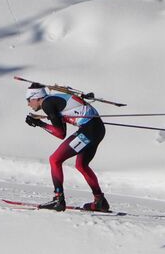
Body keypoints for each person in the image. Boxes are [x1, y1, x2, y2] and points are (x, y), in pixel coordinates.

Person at [24, 83, 110, 212]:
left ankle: (58, 200)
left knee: (55, 160)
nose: (28, 104)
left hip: (89, 131)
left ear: (36, 97)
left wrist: (40, 123)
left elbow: (60, 134)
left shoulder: (47, 104)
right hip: (97, 129)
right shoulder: (54, 99)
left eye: (28, 100)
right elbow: (62, 129)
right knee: (81, 165)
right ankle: (100, 201)